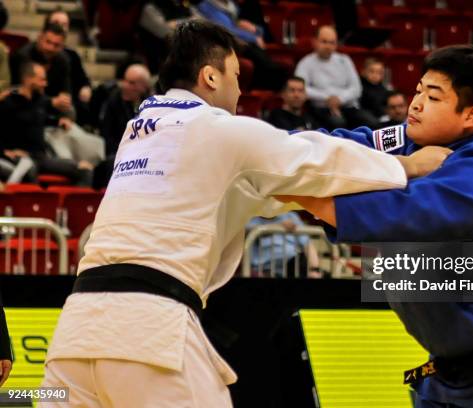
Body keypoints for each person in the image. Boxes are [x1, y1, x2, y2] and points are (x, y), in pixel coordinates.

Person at [40, 21, 451, 407]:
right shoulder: (216, 128)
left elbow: (256, 189)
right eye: (236, 76)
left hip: (71, 339)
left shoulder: (141, 132)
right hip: (147, 333)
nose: (239, 91)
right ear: (211, 77)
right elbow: (310, 158)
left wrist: (310, 195)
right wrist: (407, 166)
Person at [282, 45, 473, 407]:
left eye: (432, 97)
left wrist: (285, 187)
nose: (415, 104)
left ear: (471, 115)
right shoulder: (411, 138)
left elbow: (393, 214)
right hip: (452, 371)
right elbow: (347, 148)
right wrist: (277, 154)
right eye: (418, 91)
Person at [0, 61, 92, 186]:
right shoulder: (8, 102)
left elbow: (40, 118)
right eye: (41, 80)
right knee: (28, 168)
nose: (45, 83)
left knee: (85, 169)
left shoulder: (40, 100)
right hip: (21, 158)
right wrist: (4, 151)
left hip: (41, 157)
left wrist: (59, 121)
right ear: (28, 79)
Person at [295, 25, 377, 130]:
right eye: (324, 42)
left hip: (348, 106)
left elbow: (356, 88)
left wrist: (339, 99)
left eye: (332, 42)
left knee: (372, 122)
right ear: (314, 42)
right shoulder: (305, 63)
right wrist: (327, 98)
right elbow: (302, 88)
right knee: (338, 123)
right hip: (322, 108)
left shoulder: (344, 60)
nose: (328, 46)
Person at [9, 22, 73, 115]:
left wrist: (65, 111)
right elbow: (18, 92)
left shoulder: (63, 60)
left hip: (52, 110)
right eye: (48, 42)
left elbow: (66, 91)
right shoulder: (23, 56)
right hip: (23, 109)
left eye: (56, 45)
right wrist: (51, 101)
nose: (50, 48)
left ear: (62, 46)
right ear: (39, 38)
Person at [44, 10, 93, 126]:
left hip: (68, 103)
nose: (60, 27)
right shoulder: (37, 52)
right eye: (56, 22)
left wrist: (86, 88)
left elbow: (83, 80)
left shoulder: (72, 55)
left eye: (64, 24)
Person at [246, 212, 321, 278]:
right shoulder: (251, 218)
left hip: (293, 265)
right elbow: (248, 230)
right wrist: (278, 226)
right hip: (263, 269)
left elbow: (307, 244)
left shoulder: (291, 216)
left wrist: (314, 270)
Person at [359, 57, 389, 126]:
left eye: (379, 72)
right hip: (368, 116)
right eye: (372, 71)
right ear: (363, 72)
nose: (375, 75)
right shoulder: (360, 87)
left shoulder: (383, 88)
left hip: (382, 116)